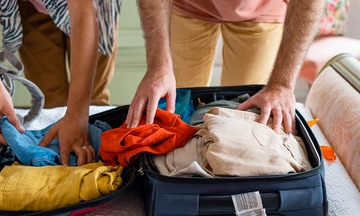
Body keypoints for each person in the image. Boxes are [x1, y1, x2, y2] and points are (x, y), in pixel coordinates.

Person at [0, 0, 121, 166]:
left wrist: (77, 116)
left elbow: (82, 10)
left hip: (91, 9)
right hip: (31, 7)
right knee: (51, 99)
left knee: (91, 102)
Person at [126, 0, 324, 134]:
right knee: (173, 114)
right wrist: (158, 65)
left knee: (247, 122)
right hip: (187, 7)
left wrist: (281, 84)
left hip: (263, 9)